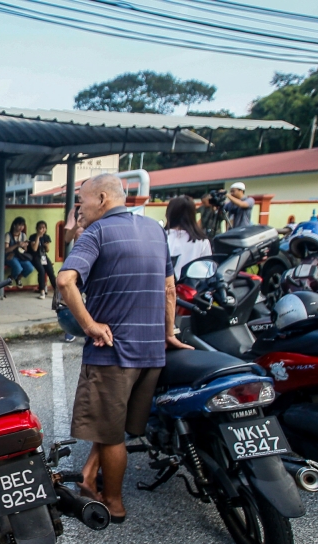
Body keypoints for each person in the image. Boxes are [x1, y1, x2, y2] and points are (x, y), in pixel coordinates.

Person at [57, 174, 191, 522]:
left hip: (113, 353)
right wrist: (169, 332)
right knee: (113, 425)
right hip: (152, 354)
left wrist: (89, 325)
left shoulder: (97, 233)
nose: (80, 208)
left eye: (82, 201)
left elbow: (65, 281)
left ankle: (113, 502)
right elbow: (169, 289)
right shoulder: (154, 230)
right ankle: (89, 476)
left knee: (112, 434)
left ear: (102, 198)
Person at [164, 196, 212, 279]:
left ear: (169, 213)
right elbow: (208, 270)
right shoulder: (202, 240)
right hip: (192, 288)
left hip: (164, 287)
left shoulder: (161, 237)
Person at [29, 220, 56, 299]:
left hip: (43, 256)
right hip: (35, 256)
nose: (42, 229)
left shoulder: (46, 237)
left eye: (44, 228)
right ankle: (42, 291)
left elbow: (47, 250)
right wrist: (38, 236)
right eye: (40, 228)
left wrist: (46, 245)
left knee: (51, 271)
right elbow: (34, 248)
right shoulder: (32, 237)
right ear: (37, 228)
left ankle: (57, 291)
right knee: (41, 271)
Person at [4, 217, 35, 285]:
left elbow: (25, 250)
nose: (21, 227)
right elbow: (6, 250)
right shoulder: (8, 235)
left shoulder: (23, 235)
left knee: (30, 268)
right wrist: (17, 245)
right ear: (14, 225)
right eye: (19, 225)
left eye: (23, 225)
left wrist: (24, 246)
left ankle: (18, 278)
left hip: (21, 256)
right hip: (10, 256)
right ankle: (11, 278)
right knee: (18, 268)